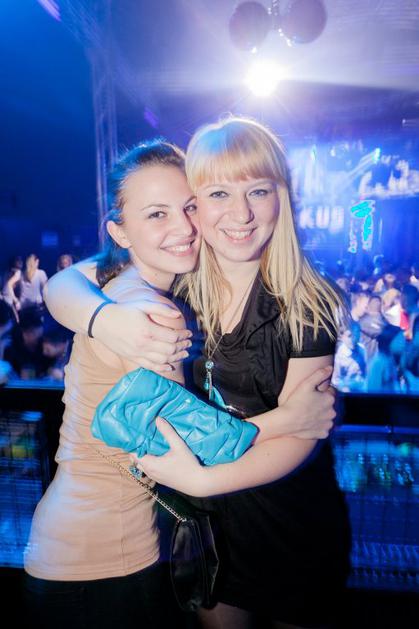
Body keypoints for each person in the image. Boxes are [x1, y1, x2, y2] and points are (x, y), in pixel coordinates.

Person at [44, 116, 350, 629]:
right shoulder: (179, 282)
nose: (241, 213)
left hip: (289, 524)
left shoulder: (306, 302)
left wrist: (204, 478)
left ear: (282, 198)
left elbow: (304, 436)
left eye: (258, 191)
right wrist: (104, 319)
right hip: (211, 532)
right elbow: (64, 283)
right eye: (217, 194)